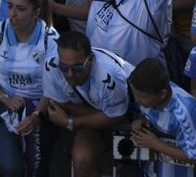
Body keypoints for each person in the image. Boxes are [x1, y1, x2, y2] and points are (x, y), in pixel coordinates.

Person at [0, 0, 59, 177]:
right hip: (4, 106)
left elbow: (54, 86)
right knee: (10, 167)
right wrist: (7, 99)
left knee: (38, 170)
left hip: (41, 108)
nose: (12, 14)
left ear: (35, 12)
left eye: (20, 9)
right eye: (10, 6)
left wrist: (36, 115)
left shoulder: (51, 39)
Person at [42, 31, 135, 177]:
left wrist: (70, 121)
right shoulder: (51, 65)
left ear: (90, 60)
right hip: (101, 116)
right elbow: (58, 103)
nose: (70, 74)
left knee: (129, 167)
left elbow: (117, 117)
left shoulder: (109, 75)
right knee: (81, 159)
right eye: (64, 68)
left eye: (77, 67)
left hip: (130, 116)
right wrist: (100, 114)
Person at [125, 58, 196, 173]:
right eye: (135, 94)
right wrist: (142, 120)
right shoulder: (148, 93)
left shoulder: (186, 112)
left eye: (142, 97)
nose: (136, 100)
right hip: (152, 169)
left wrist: (155, 144)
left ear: (162, 94)